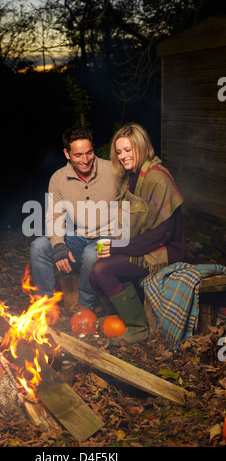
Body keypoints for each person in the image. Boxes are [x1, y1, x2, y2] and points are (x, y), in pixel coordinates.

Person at [89, 123, 186, 344]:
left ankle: (138, 327)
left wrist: (117, 248)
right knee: (95, 269)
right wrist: (111, 240)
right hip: (140, 244)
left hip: (165, 250)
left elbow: (163, 233)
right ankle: (116, 317)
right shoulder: (132, 177)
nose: (123, 156)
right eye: (119, 151)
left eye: (128, 150)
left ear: (141, 147)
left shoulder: (158, 178)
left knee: (101, 269)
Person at [30, 126, 121, 309]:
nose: (85, 160)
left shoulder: (113, 171)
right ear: (67, 154)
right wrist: (58, 245)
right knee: (38, 247)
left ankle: (85, 306)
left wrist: (122, 237)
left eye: (89, 153)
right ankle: (44, 306)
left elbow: (131, 202)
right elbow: (55, 216)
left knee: (90, 254)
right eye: (78, 155)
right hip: (79, 237)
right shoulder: (58, 179)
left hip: (109, 237)